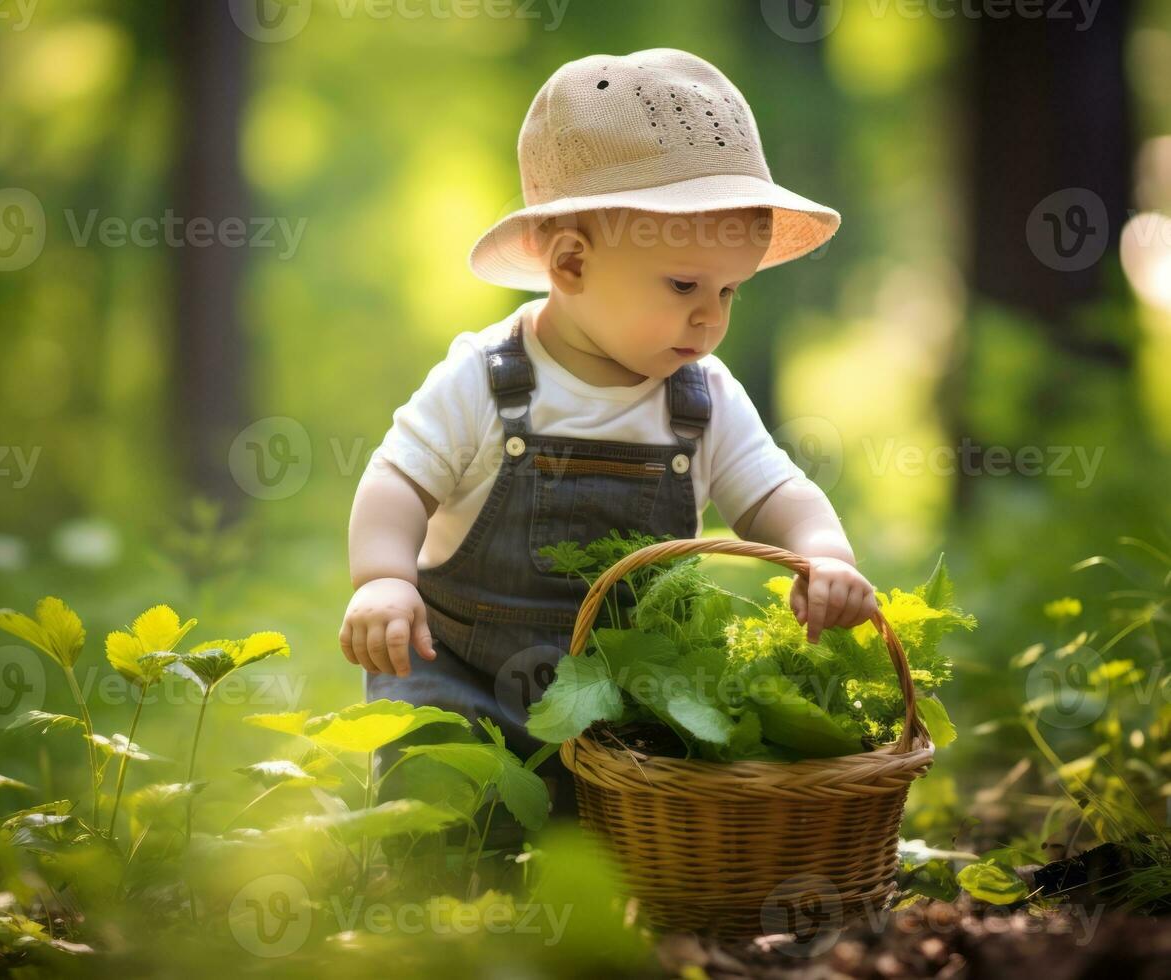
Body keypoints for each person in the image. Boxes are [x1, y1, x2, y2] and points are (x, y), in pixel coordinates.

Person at [340, 48, 879, 840]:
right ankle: (440, 898)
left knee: (663, 793)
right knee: (436, 772)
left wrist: (823, 552)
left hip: (622, 691)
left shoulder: (701, 397)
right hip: (460, 670)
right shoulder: (484, 381)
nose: (711, 320)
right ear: (570, 263)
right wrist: (382, 578)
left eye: (730, 290)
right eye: (684, 286)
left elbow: (774, 491)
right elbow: (397, 480)